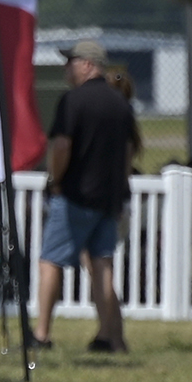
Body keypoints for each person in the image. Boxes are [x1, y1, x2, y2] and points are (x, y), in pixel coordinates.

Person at [34, 39, 140, 354]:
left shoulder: (73, 101)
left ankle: (41, 335)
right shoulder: (121, 104)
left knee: (50, 262)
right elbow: (128, 150)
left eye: (72, 61)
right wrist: (118, 190)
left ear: (88, 65)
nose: (67, 68)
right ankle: (109, 336)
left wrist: (56, 179)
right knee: (102, 265)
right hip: (108, 198)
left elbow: (62, 146)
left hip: (76, 195)